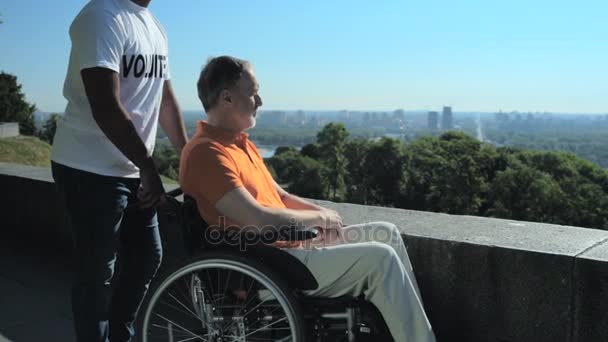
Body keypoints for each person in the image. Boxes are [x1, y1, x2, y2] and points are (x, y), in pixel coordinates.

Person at [179, 55, 436, 342]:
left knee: (388, 234)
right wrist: (319, 218)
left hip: (285, 248)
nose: (260, 101)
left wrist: (322, 212)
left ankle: (406, 333)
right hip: (266, 265)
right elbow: (258, 219)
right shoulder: (208, 153)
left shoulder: (238, 143)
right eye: (252, 93)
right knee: (381, 259)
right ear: (226, 98)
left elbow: (281, 196)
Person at [50, 0, 188, 341]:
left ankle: (120, 335)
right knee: (96, 274)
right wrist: (148, 167)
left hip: (131, 168)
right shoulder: (101, 16)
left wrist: (188, 157)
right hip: (89, 168)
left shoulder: (154, 25)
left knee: (146, 259)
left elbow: (164, 99)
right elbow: (105, 104)